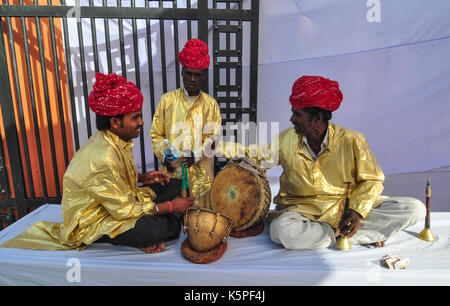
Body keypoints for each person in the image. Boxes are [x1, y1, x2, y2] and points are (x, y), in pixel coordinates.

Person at [209, 75, 426, 249]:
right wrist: (218, 147)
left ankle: (342, 233)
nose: (292, 119)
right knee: (281, 232)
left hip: (344, 207)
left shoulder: (353, 140)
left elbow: (373, 180)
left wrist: (358, 211)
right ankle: (345, 236)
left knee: (414, 208)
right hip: (302, 211)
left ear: (318, 119)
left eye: (298, 115)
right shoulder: (286, 139)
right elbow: (256, 154)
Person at [1, 72, 195, 253]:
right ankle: (143, 231)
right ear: (115, 122)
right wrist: (170, 207)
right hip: (94, 218)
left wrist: (143, 178)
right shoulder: (103, 156)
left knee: (174, 184)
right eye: (135, 117)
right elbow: (122, 210)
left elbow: (117, 180)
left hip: (117, 202)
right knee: (157, 229)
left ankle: (156, 223)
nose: (141, 122)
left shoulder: (116, 140)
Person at [150, 38, 222, 209]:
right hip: (172, 172)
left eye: (197, 75)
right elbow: (156, 135)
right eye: (188, 73)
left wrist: (195, 155)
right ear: (182, 73)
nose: (192, 79)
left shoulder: (211, 104)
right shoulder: (167, 100)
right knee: (173, 217)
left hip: (201, 174)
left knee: (200, 218)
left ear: (204, 76)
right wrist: (164, 154)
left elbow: (214, 139)